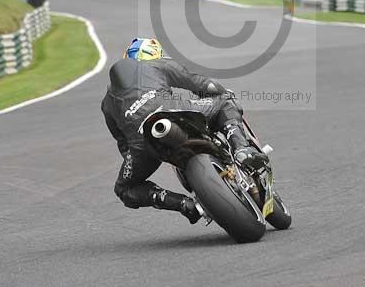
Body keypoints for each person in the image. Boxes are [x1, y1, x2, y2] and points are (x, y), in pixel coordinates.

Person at [101, 37, 268, 224]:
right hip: (175, 111)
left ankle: (183, 204)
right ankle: (241, 149)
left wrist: (138, 157)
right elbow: (200, 82)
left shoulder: (107, 102)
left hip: (142, 142)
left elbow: (122, 143)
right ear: (154, 55)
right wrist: (220, 92)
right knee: (225, 103)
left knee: (124, 189)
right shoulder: (157, 65)